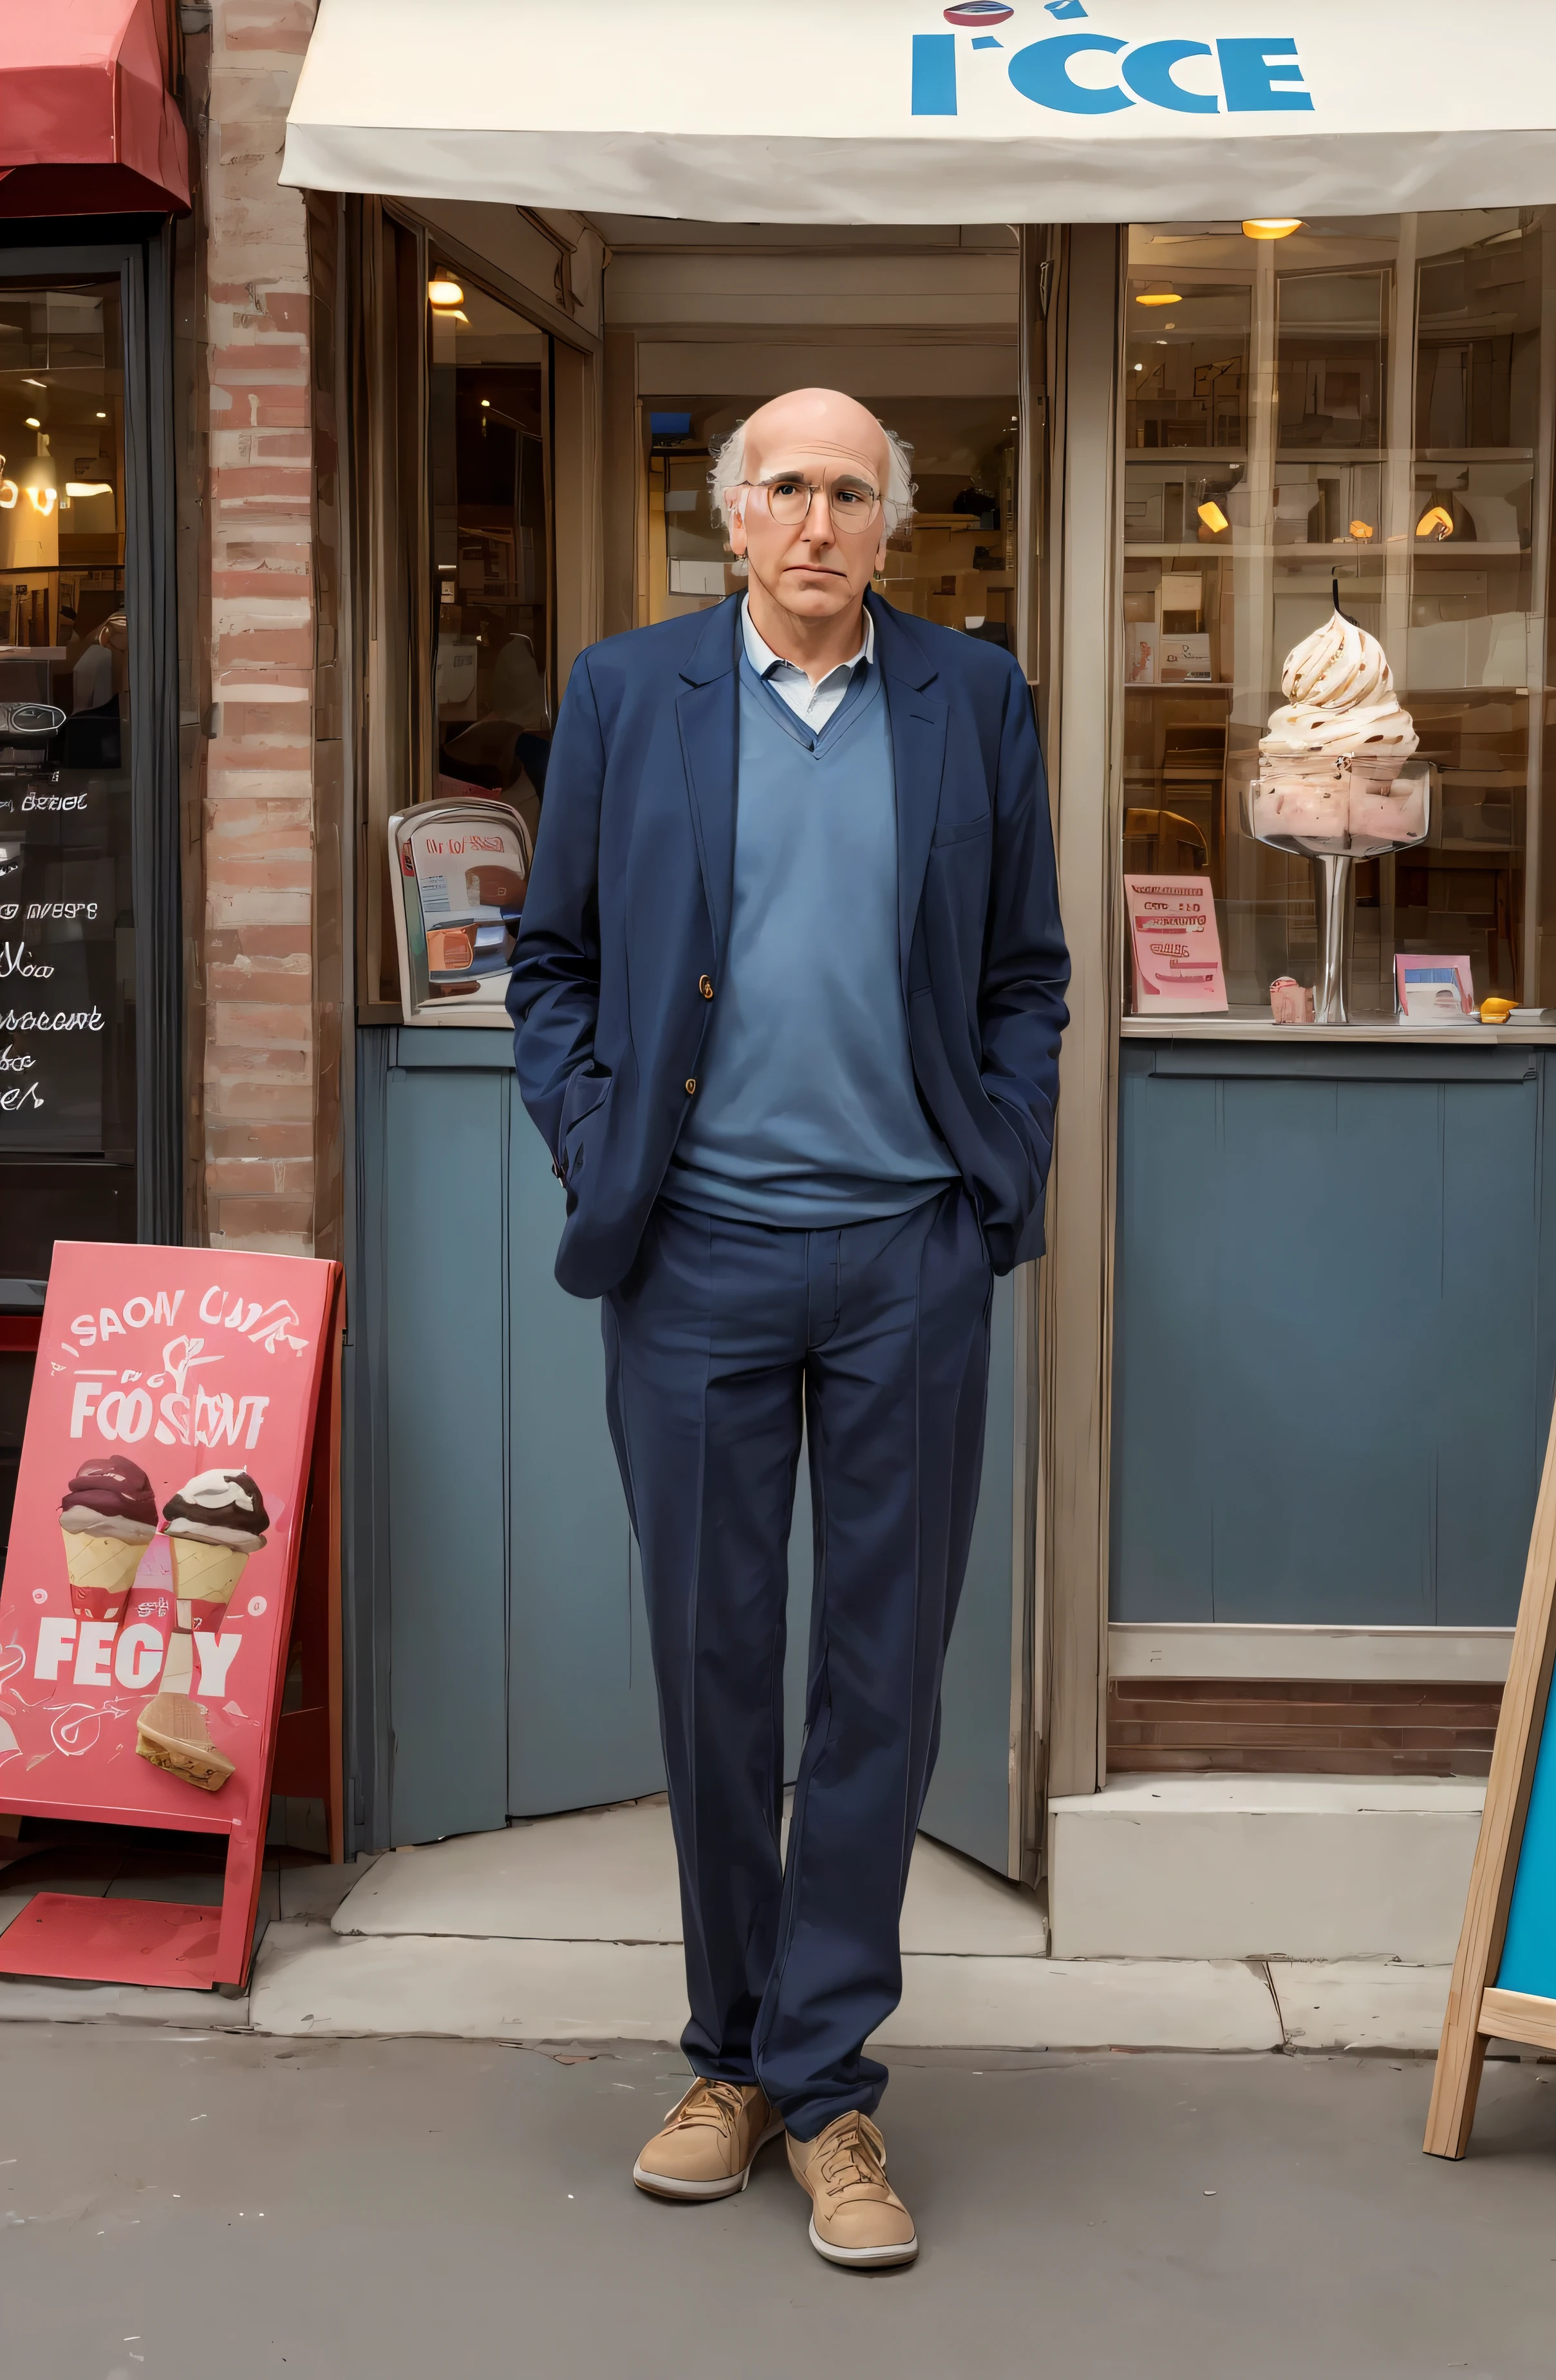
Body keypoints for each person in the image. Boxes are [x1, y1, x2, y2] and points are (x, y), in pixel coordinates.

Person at [508, 388, 1068, 2269]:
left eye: (852, 492)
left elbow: (1025, 977)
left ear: (891, 530)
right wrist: (595, 1143)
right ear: (731, 519)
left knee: (881, 1678)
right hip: (698, 1263)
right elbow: (560, 961)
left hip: (907, 1254)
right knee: (711, 1665)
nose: (818, 521)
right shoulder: (627, 693)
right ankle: (727, 2059)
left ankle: (828, 2090)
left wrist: (1000, 1165)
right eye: (785, 489)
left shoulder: (973, 702)